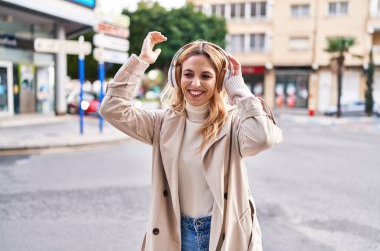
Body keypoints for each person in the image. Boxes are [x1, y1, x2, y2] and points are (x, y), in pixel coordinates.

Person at [99, 31, 283, 251]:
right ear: (177, 77)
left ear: (220, 81)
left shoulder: (234, 122)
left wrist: (239, 90)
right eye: (188, 74)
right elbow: (112, 108)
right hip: (176, 232)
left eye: (206, 76)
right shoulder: (161, 123)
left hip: (223, 231)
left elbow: (263, 138)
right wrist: (141, 62)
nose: (195, 83)